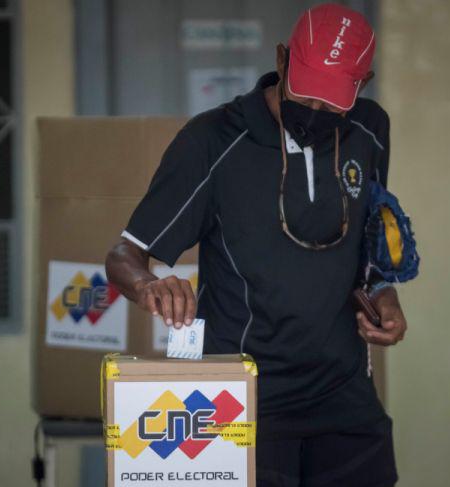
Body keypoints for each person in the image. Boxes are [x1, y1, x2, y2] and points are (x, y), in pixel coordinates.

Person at [105, 3, 406, 485]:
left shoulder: (369, 130)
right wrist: (147, 287)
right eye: (305, 98)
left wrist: (382, 293)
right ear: (282, 60)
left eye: (331, 106)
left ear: (363, 83)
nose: (315, 116)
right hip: (242, 401)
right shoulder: (212, 140)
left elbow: (367, 245)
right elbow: (123, 256)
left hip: (345, 398)